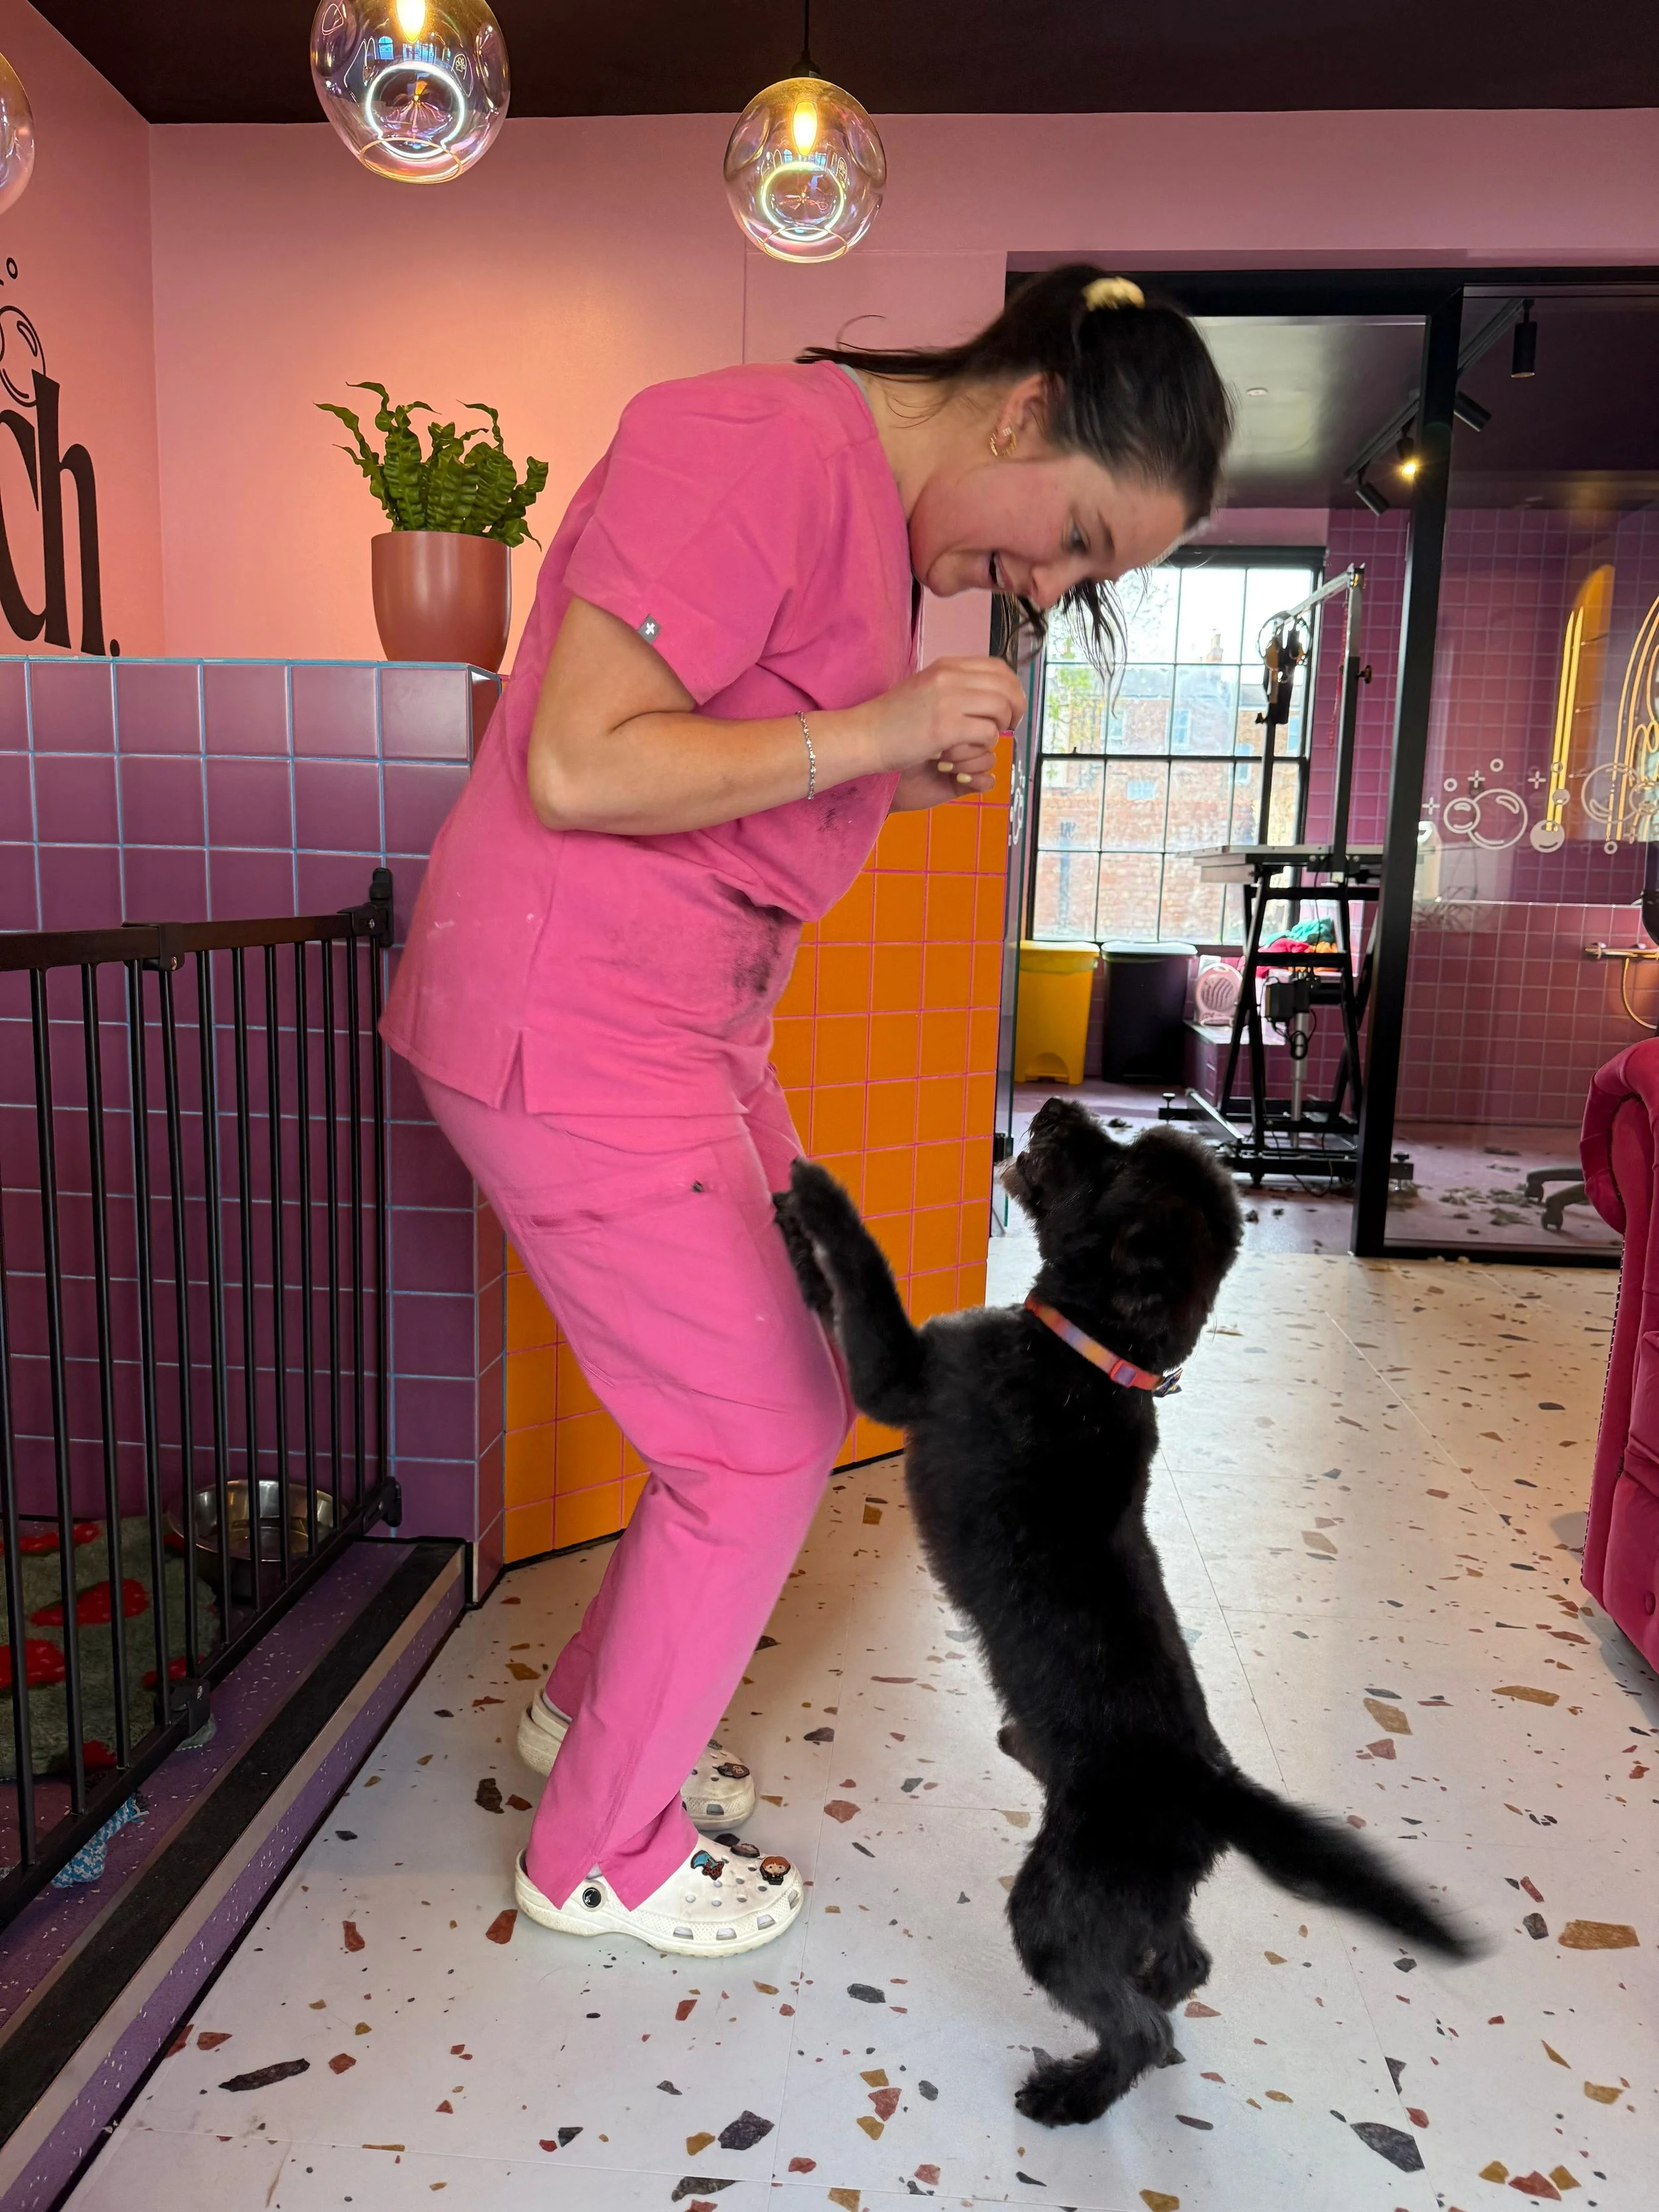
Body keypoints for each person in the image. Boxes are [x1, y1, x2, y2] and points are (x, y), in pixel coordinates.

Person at [380, 265, 1232, 1962]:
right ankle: (597, 1852)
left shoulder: (857, 503)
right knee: (759, 1437)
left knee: (795, 1378)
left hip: (679, 1022)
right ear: (1026, 407)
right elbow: (578, 763)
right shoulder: (755, 440)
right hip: (570, 1013)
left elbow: (720, 756)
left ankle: (591, 1719)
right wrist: (872, 728)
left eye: (1085, 580)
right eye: (1071, 538)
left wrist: (885, 768)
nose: (1045, 588)